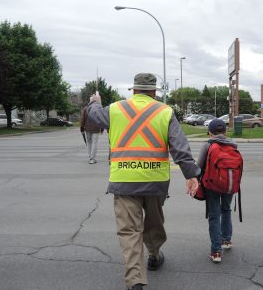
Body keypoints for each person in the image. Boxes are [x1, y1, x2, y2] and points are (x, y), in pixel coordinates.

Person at [86, 73, 200, 290]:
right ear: (154, 92)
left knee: (129, 231)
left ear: (133, 90)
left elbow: (93, 116)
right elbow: (179, 146)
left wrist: (95, 102)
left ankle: (135, 281)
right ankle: (155, 256)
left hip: (123, 180)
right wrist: (191, 174)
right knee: (154, 223)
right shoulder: (164, 111)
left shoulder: (115, 109)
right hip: (155, 180)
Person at [197, 119, 237, 263]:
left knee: (214, 215)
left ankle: (216, 251)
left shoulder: (208, 145)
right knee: (226, 210)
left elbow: (198, 166)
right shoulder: (233, 144)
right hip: (229, 184)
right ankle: (226, 240)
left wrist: (194, 181)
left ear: (210, 132)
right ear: (225, 132)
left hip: (212, 185)